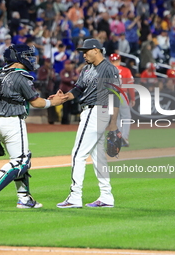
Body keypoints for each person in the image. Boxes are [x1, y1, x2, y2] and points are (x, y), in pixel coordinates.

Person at [0, 44, 65, 210]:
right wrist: (54, 102)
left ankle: (24, 198)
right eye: (27, 55)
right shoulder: (21, 76)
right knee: (22, 161)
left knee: (18, 159)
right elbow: (36, 102)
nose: (31, 58)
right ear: (17, 57)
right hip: (13, 121)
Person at [55, 38, 120, 208]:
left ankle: (75, 196)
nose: (83, 54)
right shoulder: (86, 69)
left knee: (78, 153)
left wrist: (113, 123)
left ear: (97, 50)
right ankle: (106, 196)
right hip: (91, 111)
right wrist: (64, 97)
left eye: (86, 51)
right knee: (98, 158)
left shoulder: (108, 69)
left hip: (97, 110)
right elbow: (78, 89)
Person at [109, 53, 135, 147]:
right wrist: (133, 98)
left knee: (116, 118)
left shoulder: (107, 71)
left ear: (110, 61)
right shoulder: (126, 70)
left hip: (111, 95)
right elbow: (130, 86)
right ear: (119, 61)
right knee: (126, 117)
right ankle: (125, 137)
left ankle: (118, 138)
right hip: (122, 94)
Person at [59, 60, 79, 125]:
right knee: (65, 107)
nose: (69, 65)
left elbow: (79, 78)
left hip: (72, 92)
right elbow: (64, 79)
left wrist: (75, 78)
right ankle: (64, 120)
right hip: (64, 91)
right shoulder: (63, 72)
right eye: (68, 64)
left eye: (70, 64)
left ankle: (69, 119)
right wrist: (72, 79)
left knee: (72, 106)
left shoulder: (74, 71)